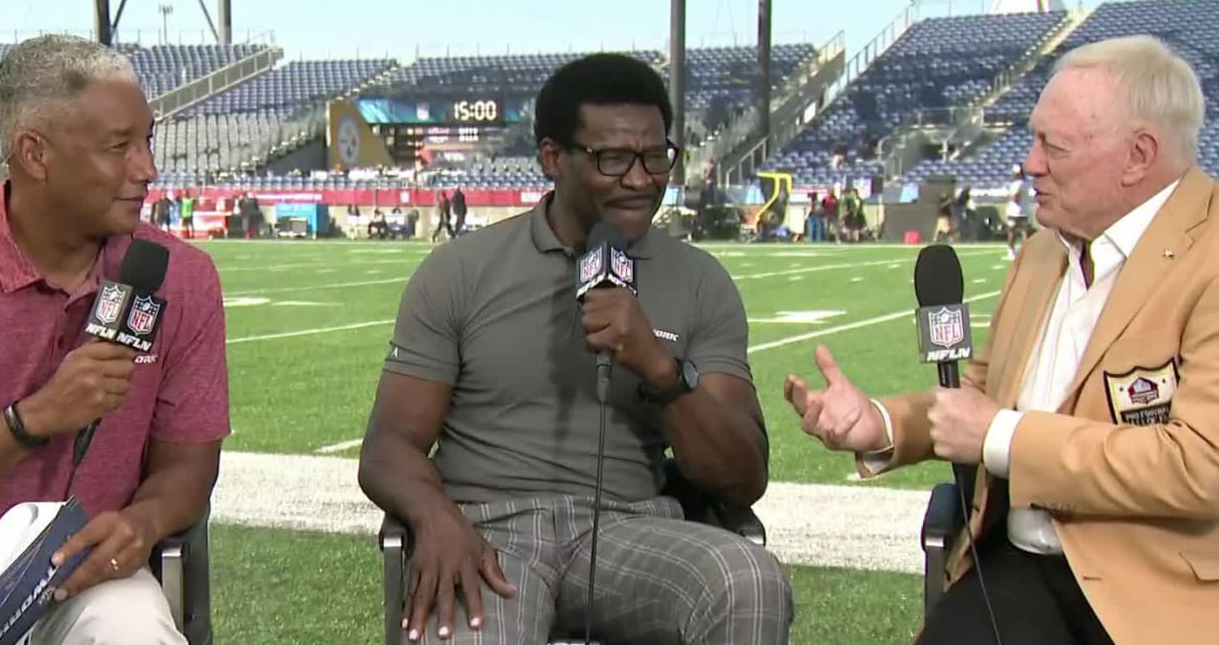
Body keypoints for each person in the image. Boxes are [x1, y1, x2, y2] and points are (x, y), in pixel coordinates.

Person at [783, 34, 1219, 645]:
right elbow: (985, 390)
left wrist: (1001, 436)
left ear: (1138, 156)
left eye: (1053, 146)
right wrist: (881, 424)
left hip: (1158, 592)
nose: (1030, 163)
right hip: (1019, 567)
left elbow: (1202, 466)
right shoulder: (1044, 250)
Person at [359, 52, 792, 645]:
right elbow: (388, 446)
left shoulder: (700, 282)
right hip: (487, 531)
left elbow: (743, 478)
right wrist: (436, 518)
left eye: (654, 156)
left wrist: (661, 371)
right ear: (553, 158)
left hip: (630, 531)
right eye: (613, 158)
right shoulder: (461, 269)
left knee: (748, 578)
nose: (640, 179)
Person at [0, 34, 230, 645]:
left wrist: (141, 523)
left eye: (147, 141)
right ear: (34, 154)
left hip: (88, 566)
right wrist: (33, 419)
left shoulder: (182, 276)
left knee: (135, 630)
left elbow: (189, 464)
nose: (147, 169)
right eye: (118, 147)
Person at [1005, 165, 1031, 259]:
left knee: (1012, 231)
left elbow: (1015, 197)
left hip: (1014, 211)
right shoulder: (1026, 183)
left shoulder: (1016, 184)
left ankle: (1011, 251)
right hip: (1024, 210)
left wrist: (1008, 196)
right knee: (1024, 232)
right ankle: (1026, 251)